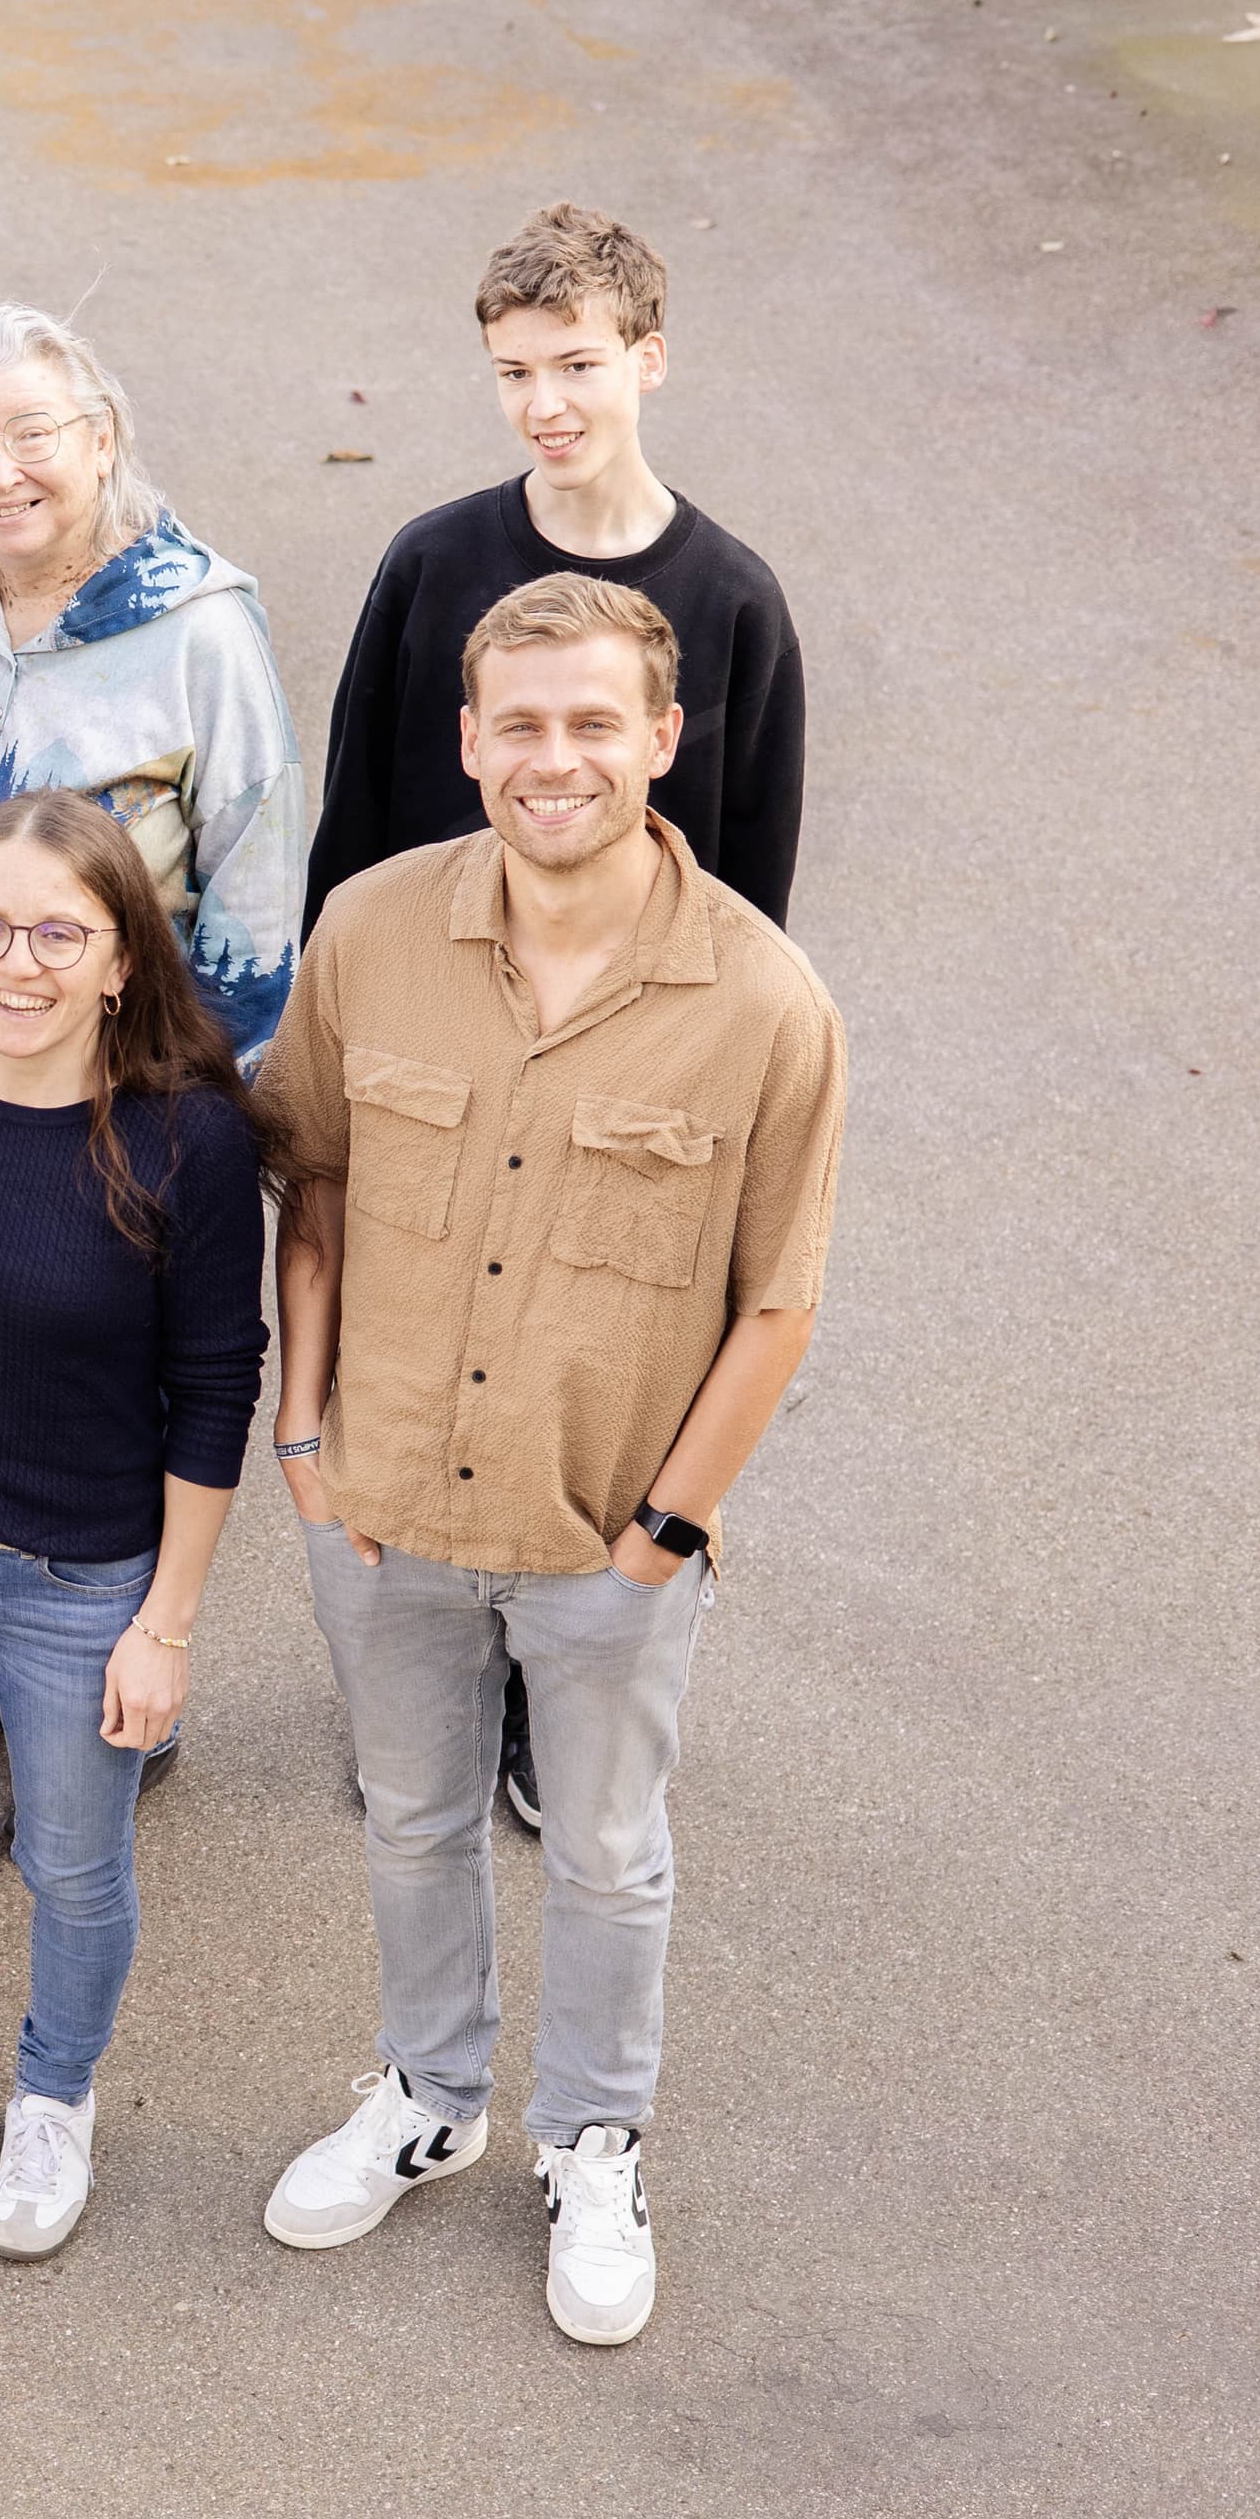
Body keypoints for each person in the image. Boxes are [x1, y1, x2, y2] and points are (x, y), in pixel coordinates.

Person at [246, 574, 846, 2348]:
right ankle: (429, 2097)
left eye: (595, 723)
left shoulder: (762, 1000)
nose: (554, 757)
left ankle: (593, 2140)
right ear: (468, 740)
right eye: (520, 723)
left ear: (662, 740)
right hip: (381, 1510)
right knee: (415, 1821)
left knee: (602, 1850)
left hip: (604, 1539)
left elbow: (777, 1306)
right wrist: (304, 1432)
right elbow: (316, 1185)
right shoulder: (367, 931)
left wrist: (662, 1532)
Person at [299, 202, 812, 1834]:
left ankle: (547, 1691)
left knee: (578, 1374)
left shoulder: (733, 605)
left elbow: (751, 899)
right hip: (439, 1049)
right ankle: (426, 1670)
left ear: (649, 360)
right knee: (429, 1360)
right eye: (515, 370)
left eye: (579, 364)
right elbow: (358, 830)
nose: (548, 402)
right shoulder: (435, 565)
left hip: (628, 1067)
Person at [0, 299, 305, 1802]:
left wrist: (197, 1113)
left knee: (136, 1370)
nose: (0, 473)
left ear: (101, 439)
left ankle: (133, 1657)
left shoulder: (203, 629)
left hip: (128, 1089)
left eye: (32, 435)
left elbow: (249, 890)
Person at [0, 791, 265, 2262]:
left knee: (73, 1866)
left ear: (122, 958)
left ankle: (54, 2100)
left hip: (88, 1576)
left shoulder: (188, 1141)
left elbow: (215, 1390)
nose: (18, 963)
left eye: (59, 933)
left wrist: (169, 1623)